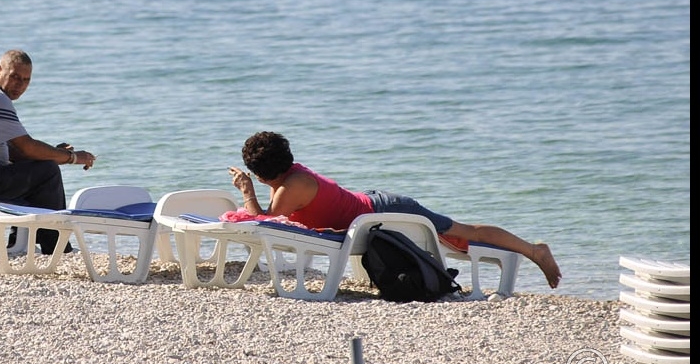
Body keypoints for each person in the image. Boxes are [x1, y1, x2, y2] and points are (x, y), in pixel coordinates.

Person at [228, 131, 562, 289]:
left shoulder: (291, 187)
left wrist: (246, 190)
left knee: (464, 232)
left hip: (386, 209)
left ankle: (536, 251)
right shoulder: (291, 178)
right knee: (456, 235)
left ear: (264, 172)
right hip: (371, 207)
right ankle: (529, 251)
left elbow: (263, 218)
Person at [0, 49, 96, 254]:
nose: (19, 85)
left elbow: (16, 152)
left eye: (26, 80)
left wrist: (52, 154)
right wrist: (72, 158)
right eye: (14, 77)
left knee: (37, 169)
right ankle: (55, 247)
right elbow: (26, 146)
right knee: (47, 171)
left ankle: (19, 241)